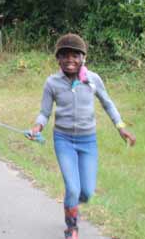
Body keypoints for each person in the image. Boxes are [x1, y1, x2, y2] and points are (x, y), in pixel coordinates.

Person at [27, 33, 136, 239]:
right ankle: (72, 227)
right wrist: (37, 127)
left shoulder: (93, 80)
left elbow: (108, 103)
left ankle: (73, 204)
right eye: (65, 55)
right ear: (58, 59)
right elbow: (45, 112)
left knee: (86, 191)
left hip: (88, 141)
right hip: (64, 140)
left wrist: (121, 127)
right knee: (72, 187)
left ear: (83, 58)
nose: (70, 60)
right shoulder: (52, 83)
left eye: (75, 56)